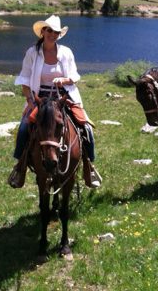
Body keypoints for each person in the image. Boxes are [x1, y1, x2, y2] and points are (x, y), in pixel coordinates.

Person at [8, 15, 101, 189]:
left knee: (86, 128)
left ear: (59, 34)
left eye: (56, 32)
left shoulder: (66, 52)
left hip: (64, 97)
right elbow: (24, 80)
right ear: (42, 32)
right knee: (23, 128)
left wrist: (64, 80)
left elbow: (74, 75)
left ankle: (89, 166)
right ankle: (20, 167)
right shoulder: (32, 53)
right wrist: (30, 101)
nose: (52, 34)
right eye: (49, 30)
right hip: (39, 99)